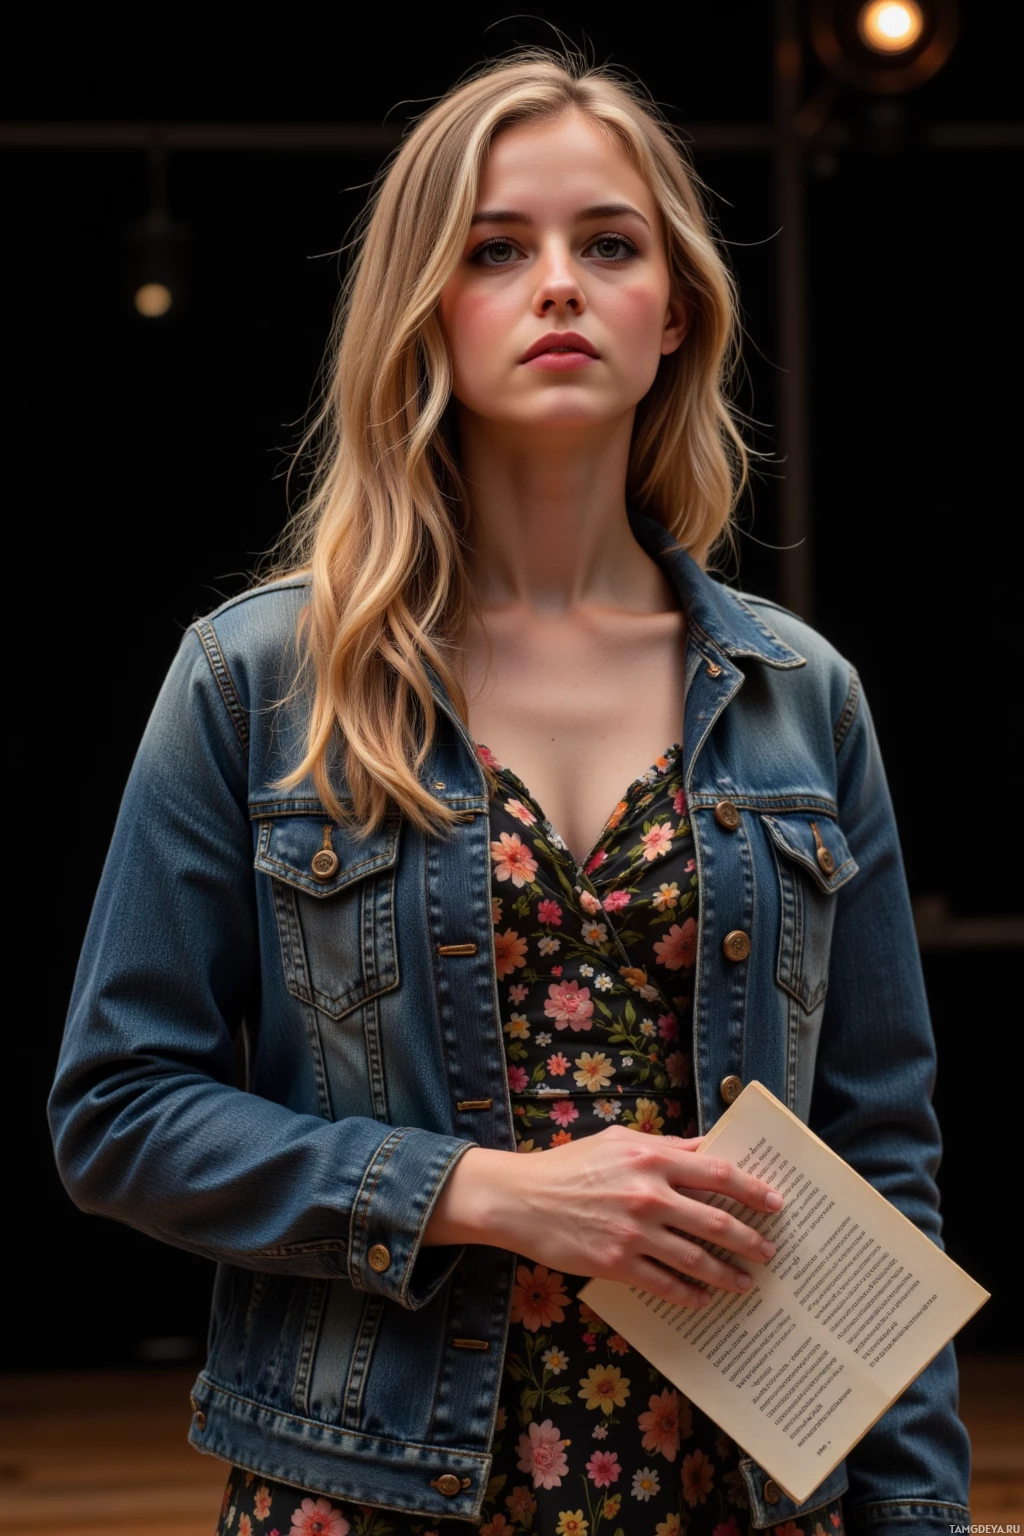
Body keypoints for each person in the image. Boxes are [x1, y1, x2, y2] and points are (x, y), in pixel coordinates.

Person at [48, 47, 971, 1536]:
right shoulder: (255, 679)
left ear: (675, 311)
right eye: (496, 249)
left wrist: (915, 1519)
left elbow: (879, 1171)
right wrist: (474, 1190)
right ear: (428, 307)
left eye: (609, 244)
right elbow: (115, 1113)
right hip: (370, 1491)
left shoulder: (808, 697)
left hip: (731, 1495)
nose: (559, 283)